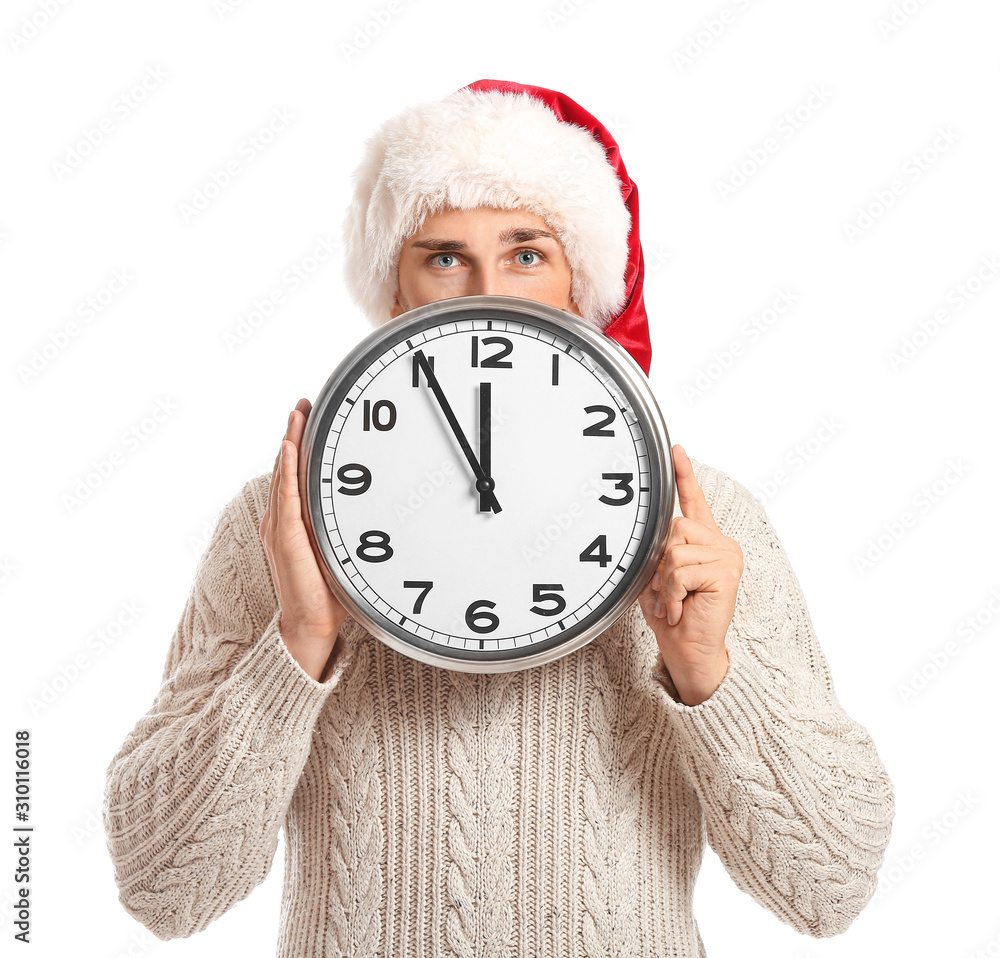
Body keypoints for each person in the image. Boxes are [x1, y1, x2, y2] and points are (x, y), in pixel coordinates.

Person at [102, 79, 894, 956]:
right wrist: (294, 645)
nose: (487, 289)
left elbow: (832, 886)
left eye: (526, 254)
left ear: (577, 286)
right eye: (444, 257)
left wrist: (707, 668)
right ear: (395, 294)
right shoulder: (281, 520)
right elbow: (161, 889)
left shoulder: (703, 528)